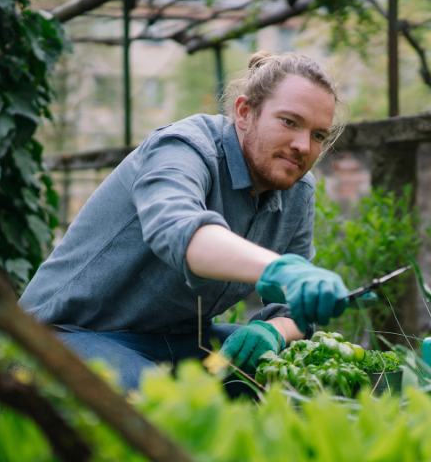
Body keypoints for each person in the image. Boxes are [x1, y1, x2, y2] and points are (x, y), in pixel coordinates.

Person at [19, 51, 350, 390]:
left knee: (298, 376)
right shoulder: (184, 148)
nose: (302, 145)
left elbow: (292, 310)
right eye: (289, 122)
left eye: (318, 135)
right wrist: (279, 269)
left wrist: (273, 330)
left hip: (176, 342)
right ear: (244, 112)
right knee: (156, 405)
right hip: (68, 332)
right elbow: (179, 230)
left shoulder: (297, 191)